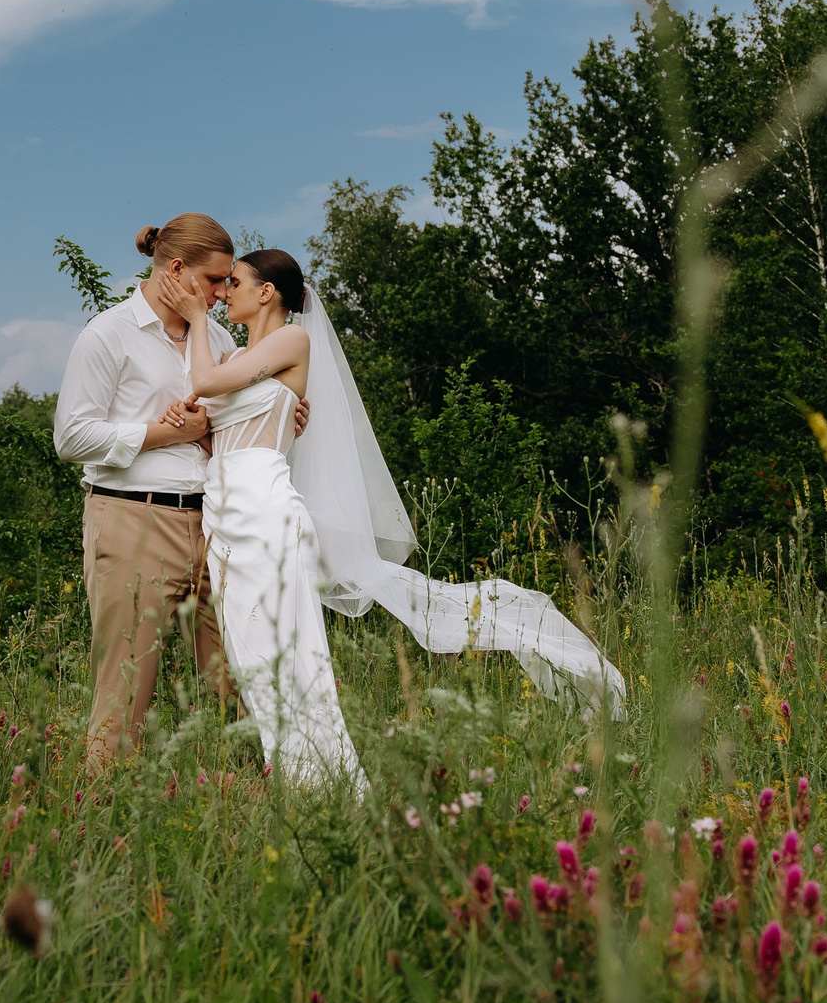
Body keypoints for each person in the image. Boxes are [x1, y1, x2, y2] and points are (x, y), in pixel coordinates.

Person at [154, 247, 626, 787]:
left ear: (267, 293)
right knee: (250, 653)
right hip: (224, 512)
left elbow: (209, 385)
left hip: (262, 508)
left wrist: (193, 321)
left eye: (233, 282)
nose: (221, 293)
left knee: (286, 646)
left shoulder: (292, 339)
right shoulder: (241, 355)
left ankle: (325, 779)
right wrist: (189, 416)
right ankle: (287, 769)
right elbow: (211, 406)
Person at [53, 214, 305, 770]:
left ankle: (244, 807)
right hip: (133, 520)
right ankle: (101, 812)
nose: (222, 293)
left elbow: (233, 419)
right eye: (215, 280)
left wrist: (283, 412)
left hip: (218, 525)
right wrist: (162, 434)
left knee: (236, 674)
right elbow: (71, 436)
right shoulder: (107, 335)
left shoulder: (214, 338)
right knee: (127, 680)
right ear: (176, 270)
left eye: (226, 283)